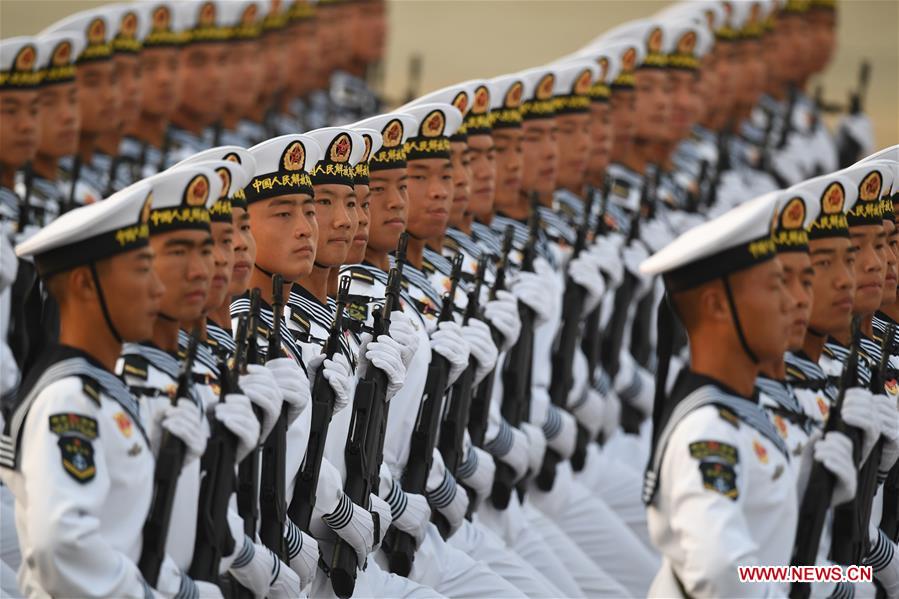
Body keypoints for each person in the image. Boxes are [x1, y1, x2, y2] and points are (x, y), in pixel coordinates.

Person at [0, 182, 208, 597]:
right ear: (84, 284)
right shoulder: (69, 400)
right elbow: (59, 543)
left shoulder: (97, 391)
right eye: (140, 269)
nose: (157, 289)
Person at [641, 191, 798, 596]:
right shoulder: (708, 430)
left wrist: (846, 580)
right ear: (716, 305)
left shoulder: (733, 412)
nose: (790, 303)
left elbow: (760, 565)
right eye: (774, 286)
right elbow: (720, 571)